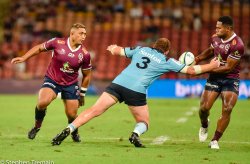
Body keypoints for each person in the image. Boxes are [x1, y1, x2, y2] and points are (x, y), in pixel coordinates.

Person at [51, 38, 220, 147]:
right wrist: (211, 66)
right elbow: (192, 71)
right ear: (167, 51)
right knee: (144, 122)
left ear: (154, 45)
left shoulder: (141, 50)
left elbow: (119, 51)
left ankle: (69, 128)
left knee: (93, 111)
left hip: (118, 83)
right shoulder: (168, 61)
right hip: (136, 90)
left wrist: (113, 47)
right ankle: (135, 134)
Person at [11, 23, 92, 142]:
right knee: (42, 102)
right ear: (72, 33)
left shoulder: (85, 54)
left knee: (71, 114)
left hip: (71, 84)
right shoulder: (57, 43)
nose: (84, 36)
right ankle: (36, 127)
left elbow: (87, 75)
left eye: (85, 34)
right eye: (81, 33)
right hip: (53, 79)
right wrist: (24, 58)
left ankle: (74, 132)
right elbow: (39, 48)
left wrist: (82, 94)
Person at [195, 16, 244, 149]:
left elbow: (228, 67)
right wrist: (198, 59)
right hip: (214, 78)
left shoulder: (237, 45)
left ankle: (215, 140)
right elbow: (211, 50)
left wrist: (205, 69)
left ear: (228, 29)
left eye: (219, 28)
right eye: (216, 27)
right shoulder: (215, 38)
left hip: (230, 78)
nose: (216, 30)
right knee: (204, 109)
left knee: (227, 108)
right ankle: (204, 124)